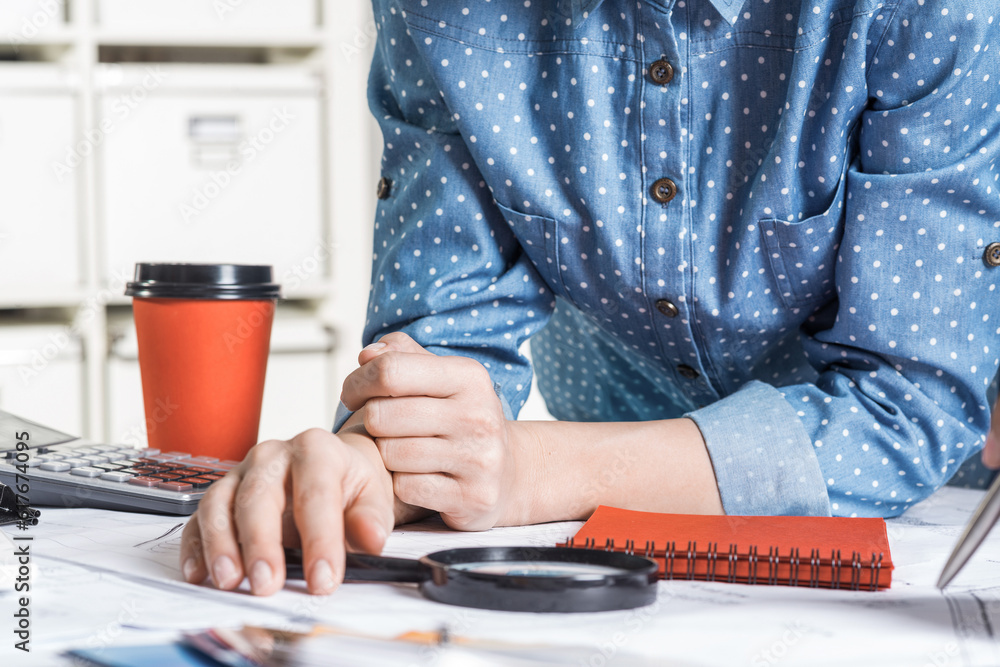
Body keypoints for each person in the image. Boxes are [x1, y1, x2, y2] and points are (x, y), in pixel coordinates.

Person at [180, 0, 1000, 596]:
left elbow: (904, 406)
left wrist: (532, 469)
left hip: (917, 535)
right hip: (601, 541)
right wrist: (369, 465)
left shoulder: (924, 11)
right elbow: (443, 351)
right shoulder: (446, 13)